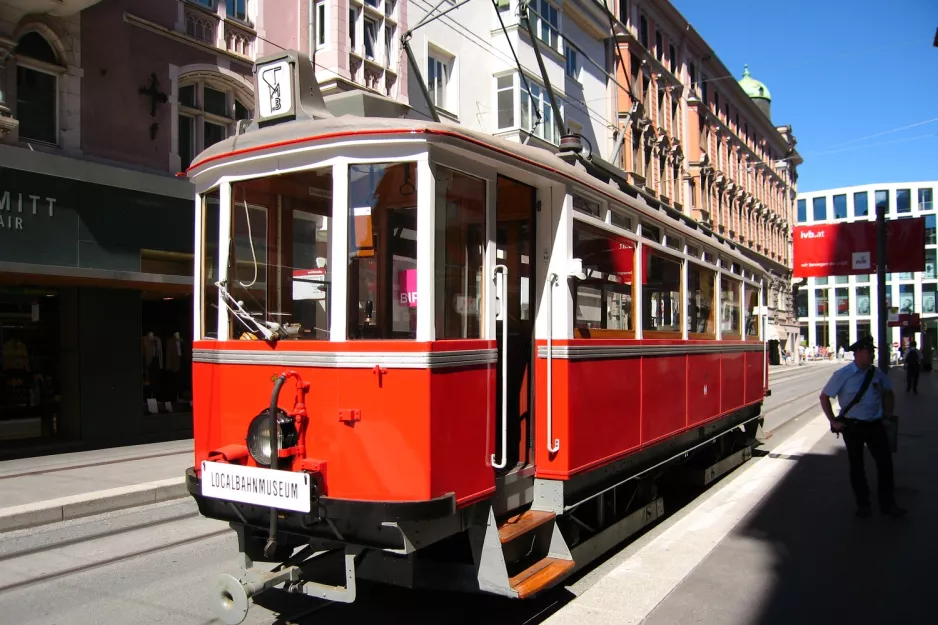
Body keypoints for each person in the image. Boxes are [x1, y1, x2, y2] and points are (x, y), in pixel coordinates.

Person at [819, 336, 906, 519]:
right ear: (858, 353)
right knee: (857, 466)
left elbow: (888, 392)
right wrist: (834, 421)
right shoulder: (843, 374)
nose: (873, 354)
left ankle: (888, 504)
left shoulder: (876, 373)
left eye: (873, 351)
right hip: (853, 427)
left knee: (885, 464)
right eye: (869, 351)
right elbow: (824, 397)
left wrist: (888, 415)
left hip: (875, 424)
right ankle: (863, 505)